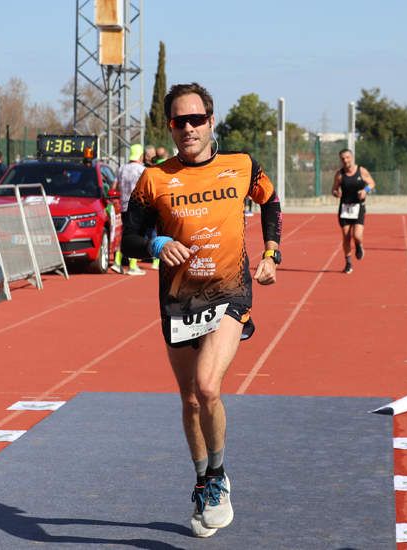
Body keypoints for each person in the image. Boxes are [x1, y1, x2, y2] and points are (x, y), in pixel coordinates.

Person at [121, 82, 282, 538]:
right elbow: (128, 240)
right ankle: (204, 480)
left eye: (196, 119)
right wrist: (156, 242)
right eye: (178, 121)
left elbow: (269, 200)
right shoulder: (153, 179)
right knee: (190, 398)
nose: (188, 128)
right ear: (170, 127)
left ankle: (219, 476)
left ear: (211, 121)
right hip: (178, 300)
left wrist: (272, 252)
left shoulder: (242, 165)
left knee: (209, 386)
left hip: (230, 293)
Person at [331, 148, 375, 273]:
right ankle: (348, 263)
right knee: (346, 236)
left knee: (357, 235)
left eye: (347, 157)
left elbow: (372, 183)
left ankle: (359, 245)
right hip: (345, 208)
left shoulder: (361, 171)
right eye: (343, 159)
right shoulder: (339, 174)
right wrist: (336, 193)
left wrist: (365, 191)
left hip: (358, 206)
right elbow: (333, 189)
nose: (345, 160)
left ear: (352, 157)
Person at [112, 144, 148, 275]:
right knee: (135, 236)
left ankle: (117, 262)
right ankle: (132, 266)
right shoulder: (142, 170)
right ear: (140, 155)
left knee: (124, 234)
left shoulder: (122, 168)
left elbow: (114, 186)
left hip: (123, 205)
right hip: (138, 206)